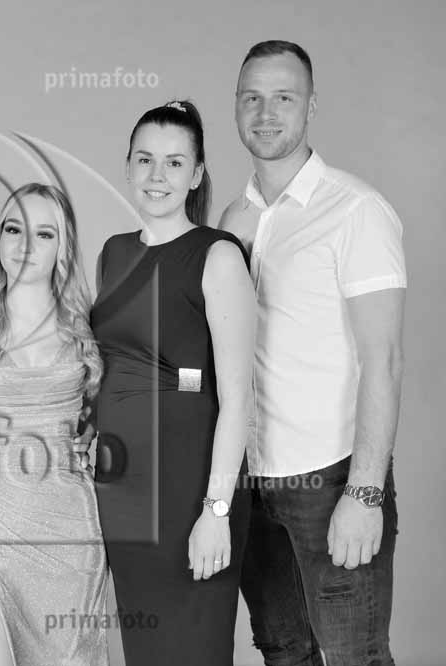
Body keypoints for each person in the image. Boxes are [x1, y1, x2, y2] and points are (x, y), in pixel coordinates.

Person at [220, 40, 405, 666]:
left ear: (311, 106)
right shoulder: (232, 221)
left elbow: (383, 360)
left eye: (283, 97)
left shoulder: (356, 211)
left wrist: (366, 493)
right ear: (236, 105)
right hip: (250, 478)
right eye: (252, 97)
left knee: (355, 655)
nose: (265, 113)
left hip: (330, 479)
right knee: (282, 650)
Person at [90, 100, 256, 665]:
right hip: (122, 496)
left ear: (197, 173)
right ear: (128, 166)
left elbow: (237, 400)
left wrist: (216, 512)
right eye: (145, 160)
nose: (157, 175)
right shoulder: (113, 253)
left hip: (192, 497)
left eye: (175, 162)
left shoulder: (217, 255)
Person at [0, 183, 108, 666]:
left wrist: (98, 432)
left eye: (44, 234)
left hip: (68, 529)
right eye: (14, 229)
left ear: (63, 246)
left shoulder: (87, 327)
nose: (25, 245)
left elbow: (129, 400)